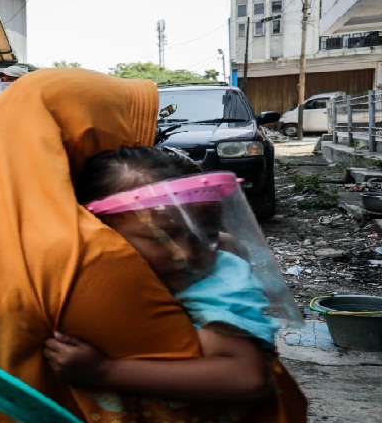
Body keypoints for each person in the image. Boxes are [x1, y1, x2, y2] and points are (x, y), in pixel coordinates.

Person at [0, 68, 300, 422]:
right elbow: (240, 380)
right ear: (73, 139)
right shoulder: (86, 252)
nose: (141, 139)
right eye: (125, 125)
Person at [44, 146, 306, 416]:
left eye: (204, 234)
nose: (187, 254)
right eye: (161, 238)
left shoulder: (217, 282)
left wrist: (102, 371)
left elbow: (245, 378)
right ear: (98, 231)